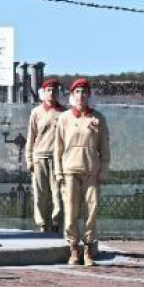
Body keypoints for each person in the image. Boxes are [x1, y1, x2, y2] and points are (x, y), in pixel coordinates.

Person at [55, 78, 111, 266]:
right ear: (72, 96)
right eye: (77, 92)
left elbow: (104, 148)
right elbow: (58, 148)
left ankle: (88, 248)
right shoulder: (64, 118)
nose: (81, 96)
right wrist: (58, 173)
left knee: (91, 211)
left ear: (89, 95)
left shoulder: (97, 118)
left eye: (84, 92)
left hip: (91, 171)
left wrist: (104, 169)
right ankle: (73, 248)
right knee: (70, 212)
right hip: (70, 170)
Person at [25, 76, 64, 233]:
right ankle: (42, 224)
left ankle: (56, 223)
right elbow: (31, 137)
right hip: (39, 157)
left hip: (58, 159)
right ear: (43, 92)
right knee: (40, 195)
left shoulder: (65, 113)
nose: (52, 93)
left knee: (58, 193)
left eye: (54, 90)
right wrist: (29, 159)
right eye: (49, 90)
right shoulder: (36, 112)